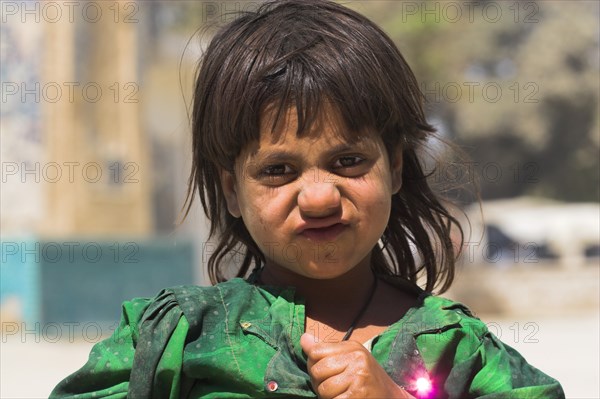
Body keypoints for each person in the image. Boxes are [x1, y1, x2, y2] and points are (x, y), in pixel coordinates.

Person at [51, 1, 565, 398]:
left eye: (348, 162)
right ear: (232, 189)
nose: (319, 197)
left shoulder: (454, 347)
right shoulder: (176, 338)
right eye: (278, 170)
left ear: (395, 168)